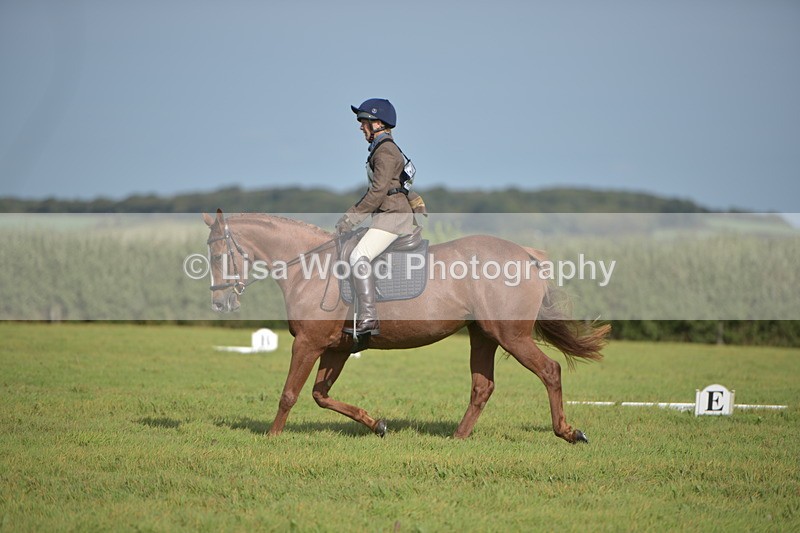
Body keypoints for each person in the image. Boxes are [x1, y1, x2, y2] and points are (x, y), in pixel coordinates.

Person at [335, 98, 415, 338]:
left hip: (393, 218)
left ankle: (368, 316)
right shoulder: (383, 149)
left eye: (364, 122)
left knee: (359, 255)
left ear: (377, 123)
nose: (361, 127)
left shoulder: (385, 151)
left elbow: (378, 192)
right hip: (389, 215)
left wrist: (351, 218)